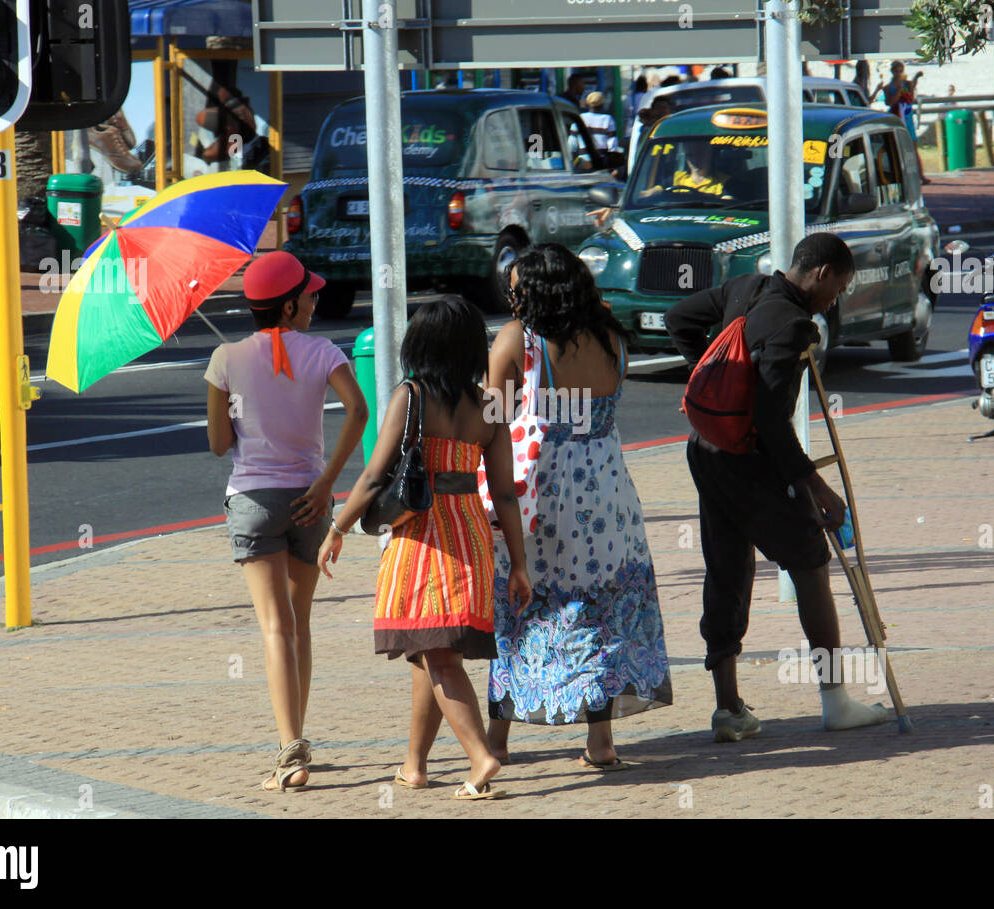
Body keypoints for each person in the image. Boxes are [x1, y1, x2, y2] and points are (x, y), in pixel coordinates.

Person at [664, 233, 891, 742]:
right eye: (840, 287)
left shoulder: (745, 287)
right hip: (751, 461)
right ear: (821, 273)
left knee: (726, 565)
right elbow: (771, 420)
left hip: (706, 450)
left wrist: (707, 376)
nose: (837, 299)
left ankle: (728, 710)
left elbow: (679, 317)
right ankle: (836, 702)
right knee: (810, 561)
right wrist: (817, 487)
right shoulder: (793, 326)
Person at [317, 297, 533, 801]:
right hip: (471, 534)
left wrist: (338, 528)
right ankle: (414, 765)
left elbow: (374, 477)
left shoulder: (411, 396)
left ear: (422, 345)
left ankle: (482, 758)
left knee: (438, 657)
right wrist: (518, 564)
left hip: (424, 539)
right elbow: (504, 492)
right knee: (429, 651)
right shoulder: (489, 407)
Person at [484, 244, 672, 769]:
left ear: (540, 292)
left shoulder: (520, 341)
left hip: (545, 493)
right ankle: (601, 741)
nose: (512, 296)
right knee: (599, 607)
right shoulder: (612, 338)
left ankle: (496, 742)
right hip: (609, 490)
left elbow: (490, 422)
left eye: (517, 288)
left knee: (523, 607)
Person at [205, 251, 368, 791]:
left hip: (252, 500)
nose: (317, 301)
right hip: (310, 501)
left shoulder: (225, 358)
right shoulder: (324, 352)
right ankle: (295, 739)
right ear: (291, 304)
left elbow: (218, 445)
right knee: (299, 623)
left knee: (275, 627)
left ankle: (289, 750)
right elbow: (360, 411)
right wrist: (327, 484)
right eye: (312, 295)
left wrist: (235, 404)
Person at [873, 61, 931, 184]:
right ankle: (900, 174)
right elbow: (889, 102)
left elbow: (910, 97)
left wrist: (915, 79)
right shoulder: (889, 87)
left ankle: (920, 175)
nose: (898, 73)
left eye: (900, 71)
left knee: (913, 147)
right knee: (896, 147)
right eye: (896, 71)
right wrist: (899, 90)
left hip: (907, 118)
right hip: (896, 117)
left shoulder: (906, 84)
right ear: (892, 71)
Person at [640, 138, 733, 199]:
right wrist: (640, 196)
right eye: (690, 155)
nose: (695, 160)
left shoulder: (723, 181)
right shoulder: (677, 178)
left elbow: (728, 203)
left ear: (709, 154)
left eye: (700, 155)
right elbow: (655, 191)